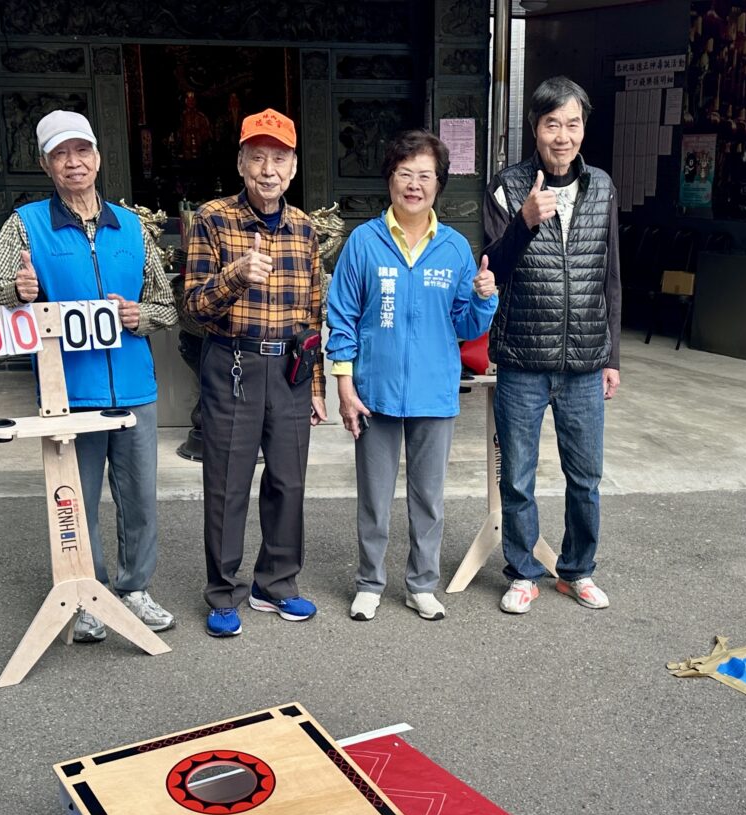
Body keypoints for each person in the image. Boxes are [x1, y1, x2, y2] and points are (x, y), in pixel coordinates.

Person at [0, 110, 178, 641]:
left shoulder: (131, 227)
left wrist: (139, 315)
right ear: (47, 165)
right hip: (69, 393)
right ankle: (88, 593)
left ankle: (135, 589)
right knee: (77, 500)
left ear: (98, 157)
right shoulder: (26, 225)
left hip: (134, 388)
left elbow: (165, 305)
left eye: (81, 151)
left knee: (139, 498)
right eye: (60, 154)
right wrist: (16, 292)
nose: (73, 163)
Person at [326, 129, 498, 622]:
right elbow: (342, 317)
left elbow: (465, 326)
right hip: (374, 390)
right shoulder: (364, 242)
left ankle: (422, 584)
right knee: (374, 497)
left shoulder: (455, 248)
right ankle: (369, 582)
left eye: (425, 175)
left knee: (428, 498)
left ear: (439, 183)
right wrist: (345, 385)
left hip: (434, 391)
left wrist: (484, 298)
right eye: (405, 174)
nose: (414, 185)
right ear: (390, 179)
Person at [184, 108, 326, 638]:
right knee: (227, 482)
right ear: (241, 163)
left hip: (291, 367)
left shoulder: (304, 228)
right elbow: (193, 308)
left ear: (294, 168)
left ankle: (277, 583)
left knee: (288, 480)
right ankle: (223, 592)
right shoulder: (213, 218)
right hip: (233, 362)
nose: (269, 170)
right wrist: (237, 276)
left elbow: (313, 314)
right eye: (259, 158)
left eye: (280, 159)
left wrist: (316, 384)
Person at [483, 76, 621, 616]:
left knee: (585, 478)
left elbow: (611, 277)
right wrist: (524, 221)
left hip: (585, 362)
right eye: (551, 124)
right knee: (517, 476)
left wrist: (612, 358)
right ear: (534, 128)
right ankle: (523, 573)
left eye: (572, 124)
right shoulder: (506, 187)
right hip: (522, 359)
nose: (562, 136)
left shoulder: (602, 187)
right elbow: (493, 267)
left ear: (583, 128)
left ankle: (578, 570)